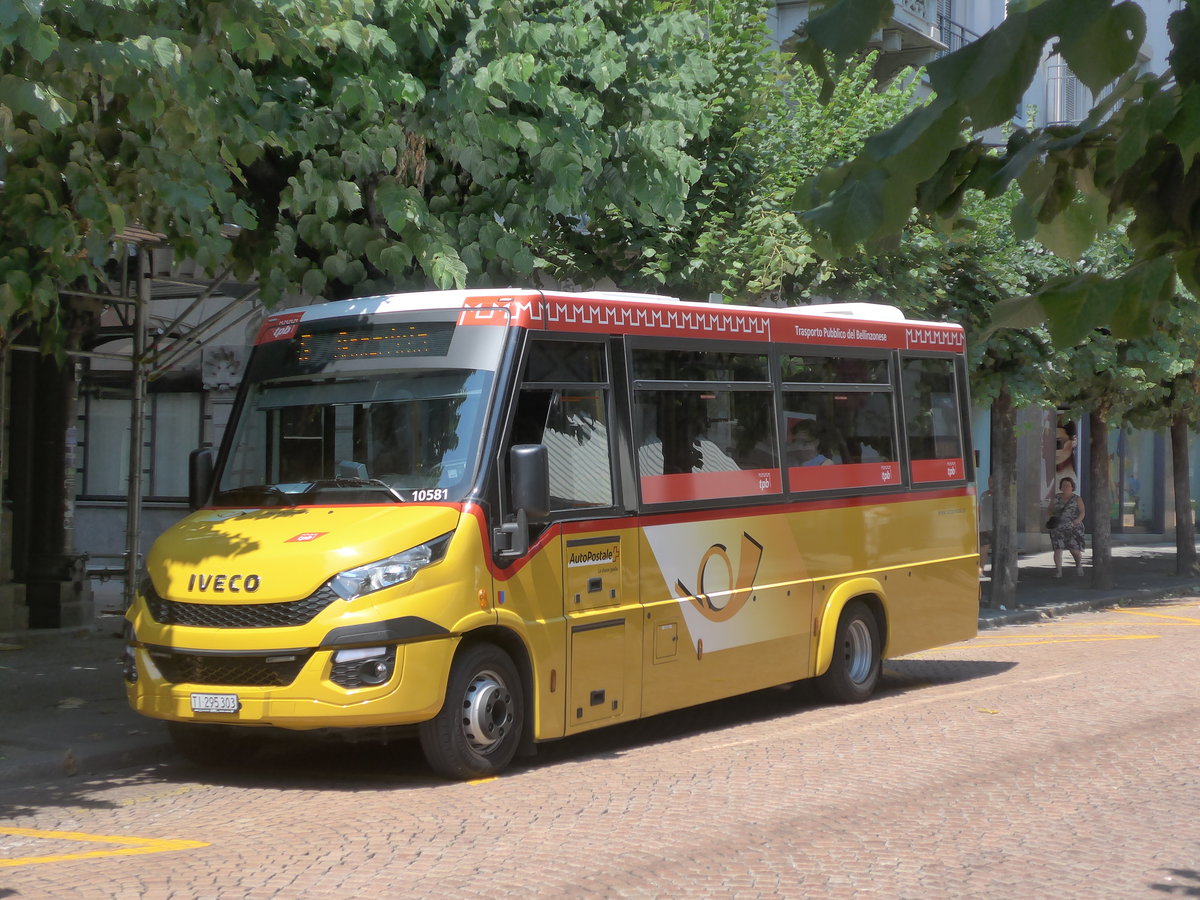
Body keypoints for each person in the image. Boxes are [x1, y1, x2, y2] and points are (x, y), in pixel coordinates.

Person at [1048, 476, 1086, 577]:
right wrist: (1053, 518)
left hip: (1072, 527)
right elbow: (1050, 509)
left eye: (1068, 485)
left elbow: (1082, 512)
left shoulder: (1077, 498)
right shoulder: (1056, 497)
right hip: (1058, 527)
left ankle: (1078, 564)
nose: (1065, 487)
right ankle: (1058, 571)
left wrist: (1076, 521)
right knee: (1058, 548)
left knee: (1074, 550)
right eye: (1063, 485)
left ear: (1072, 487)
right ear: (1061, 487)